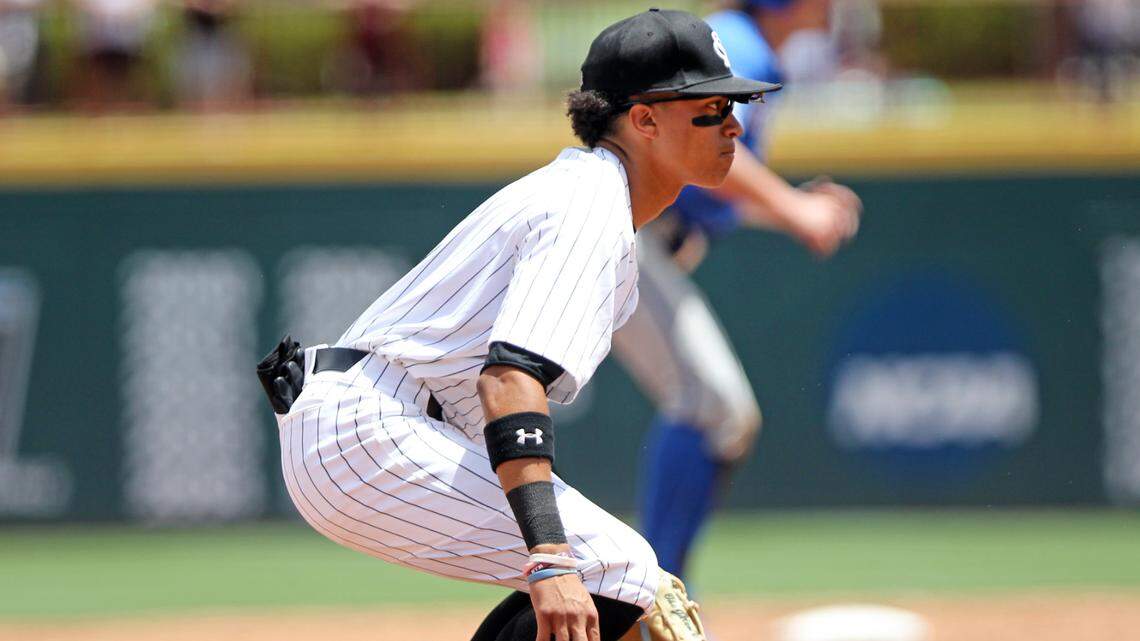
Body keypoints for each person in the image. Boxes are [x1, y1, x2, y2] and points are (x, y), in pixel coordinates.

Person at [257, 9, 779, 641]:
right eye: (711, 106)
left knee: (621, 583)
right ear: (643, 119)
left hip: (376, 425)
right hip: (371, 430)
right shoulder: (588, 206)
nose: (734, 124)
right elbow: (509, 381)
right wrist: (550, 556)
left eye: (735, 105)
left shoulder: (593, 199)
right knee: (625, 575)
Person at [612, 0, 862, 581]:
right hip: (623, 235)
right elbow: (705, 145)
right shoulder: (736, 40)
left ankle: (658, 590)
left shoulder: (745, 41)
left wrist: (786, 207)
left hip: (642, 236)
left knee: (716, 412)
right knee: (711, 409)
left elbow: (704, 182)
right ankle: (655, 593)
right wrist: (794, 207)